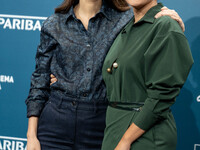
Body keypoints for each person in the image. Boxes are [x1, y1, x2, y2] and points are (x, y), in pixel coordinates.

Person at [25, 0, 185, 149]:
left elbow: (152, 25)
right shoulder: (54, 24)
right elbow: (40, 80)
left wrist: (172, 19)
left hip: (101, 120)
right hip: (56, 118)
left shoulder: (125, 19)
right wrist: (31, 135)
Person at [101, 0, 194, 150]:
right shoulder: (127, 26)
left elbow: (162, 96)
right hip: (115, 128)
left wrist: (126, 139)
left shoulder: (165, 25)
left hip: (144, 134)